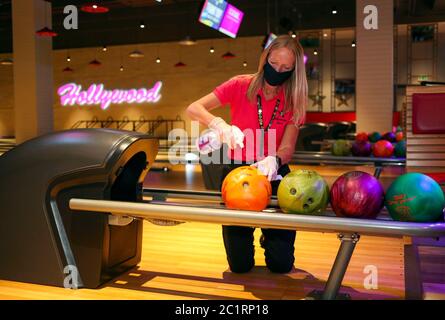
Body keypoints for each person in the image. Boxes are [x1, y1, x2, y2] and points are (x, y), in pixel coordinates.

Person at [186, 35, 308, 274]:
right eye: (273, 64)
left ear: (294, 70)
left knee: (281, 265)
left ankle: (270, 239)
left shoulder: (295, 98)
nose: (277, 71)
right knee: (239, 266)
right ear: (264, 59)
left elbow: (288, 146)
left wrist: (275, 159)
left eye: (285, 68)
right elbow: (194, 108)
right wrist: (219, 125)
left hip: (274, 174)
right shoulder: (240, 85)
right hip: (237, 172)